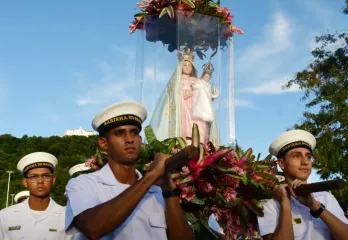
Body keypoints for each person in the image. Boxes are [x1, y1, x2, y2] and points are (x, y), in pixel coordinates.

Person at [64, 100, 194, 240]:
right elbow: (93, 228)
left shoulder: (158, 192)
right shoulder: (84, 184)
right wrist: (152, 175)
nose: (129, 139)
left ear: (140, 139)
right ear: (103, 143)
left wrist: (169, 190)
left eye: (134, 132)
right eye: (120, 133)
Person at [257, 129, 348, 240]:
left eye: (308, 156)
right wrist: (285, 202)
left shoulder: (325, 198)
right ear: (281, 163)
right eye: (296, 156)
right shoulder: (269, 204)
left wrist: (315, 206)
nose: (305, 162)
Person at [150, 47, 219, 145]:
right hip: (183, 107)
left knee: (200, 129)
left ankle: (200, 149)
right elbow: (173, 94)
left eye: (189, 66)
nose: (187, 67)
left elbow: (204, 91)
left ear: (193, 67)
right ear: (180, 66)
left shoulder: (196, 81)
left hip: (197, 109)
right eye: (184, 65)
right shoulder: (177, 81)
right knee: (185, 129)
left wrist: (202, 93)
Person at [0, 152, 71, 240]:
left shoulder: (67, 217)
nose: (40, 181)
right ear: (25, 182)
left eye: (46, 176)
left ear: (53, 180)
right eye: (33, 177)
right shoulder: (5, 216)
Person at [192, 61, 219, 144]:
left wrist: (214, 95)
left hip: (207, 104)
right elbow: (195, 87)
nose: (206, 78)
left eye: (208, 77)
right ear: (203, 76)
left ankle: (206, 139)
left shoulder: (209, 86)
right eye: (205, 76)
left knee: (207, 122)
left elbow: (212, 95)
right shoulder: (199, 82)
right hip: (201, 103)